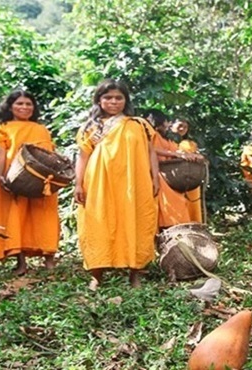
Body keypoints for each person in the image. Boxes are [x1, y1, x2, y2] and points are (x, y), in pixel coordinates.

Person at [75, 79, 159, 290]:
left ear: (126, 100)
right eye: (108, 97)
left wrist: (155, 177)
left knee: (135, 220)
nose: (114, 102)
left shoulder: (138, 124)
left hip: (134, 182)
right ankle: (97, 274)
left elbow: (151, 153)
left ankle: (135, 271)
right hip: (99, 182)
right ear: (99, 100)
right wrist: (78, 184)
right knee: (98, 222)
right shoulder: (91, 127)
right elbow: (83, 157)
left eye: (118, 98)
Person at [0, 90, 59, 275]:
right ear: (10, 107)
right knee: (16, 216)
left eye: (28, 104)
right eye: (19, 104)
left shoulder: (41, 128)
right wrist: (1, 175)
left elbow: (48, 154)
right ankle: (21, 263)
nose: (24, 107)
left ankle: (49, 261)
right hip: (12, 177)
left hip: (39, 177)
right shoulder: (3, 126)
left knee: (43, 215)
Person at [147, 110, 202, 229]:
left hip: (174, 174)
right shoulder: (152, 134)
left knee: (180, 202)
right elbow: (152, 150)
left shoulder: (169, 139)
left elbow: (177, 152)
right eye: (166, 122)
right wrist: (176, 155)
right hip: (160, 173)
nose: (167, 126)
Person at [172, 118, 205, 223]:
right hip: (173, 177)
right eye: (180, 125)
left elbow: (198, 156)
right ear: (171, 126)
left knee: (193, 203)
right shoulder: (166, 141)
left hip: (191, 177)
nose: (182, 129)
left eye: (185, 127)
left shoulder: (191, 143)